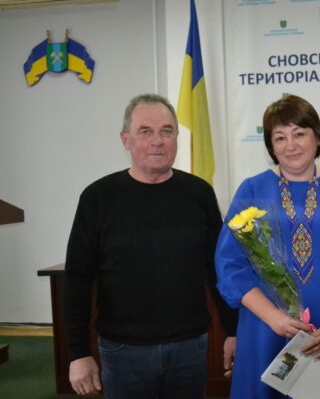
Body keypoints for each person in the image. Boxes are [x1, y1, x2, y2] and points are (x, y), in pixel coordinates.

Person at [63, 93, 237, 398]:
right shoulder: (97, 198)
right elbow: (77, 279)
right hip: (123, 352)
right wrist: (78, 353)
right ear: (125, 139)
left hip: (190, 348)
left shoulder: (199, 194)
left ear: (176, 137)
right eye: (145, 131)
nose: (158, 141)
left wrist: (233, 330)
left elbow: (218, 269)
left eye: (166, 131)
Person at [215, 94, 320, 398]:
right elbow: (230, 266)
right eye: (280, 137)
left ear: (317, 137)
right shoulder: (252, 188)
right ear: (271, 146)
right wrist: (273, 318)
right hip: (265, 332)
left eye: (299, 133)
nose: (291, 145)